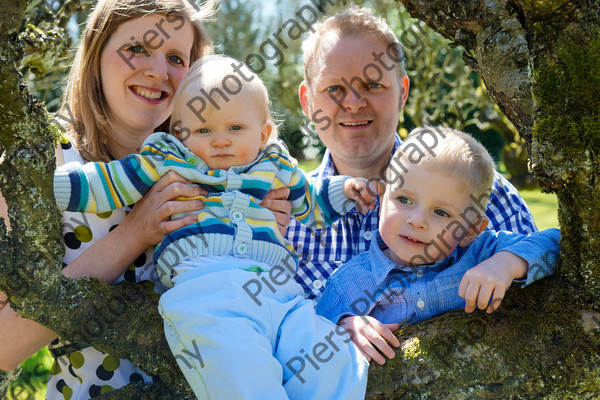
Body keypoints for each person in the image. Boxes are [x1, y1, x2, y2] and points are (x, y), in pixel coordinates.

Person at [0, 1, 290, 398]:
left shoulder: (219, 161)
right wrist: (133, 236)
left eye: (175, 57)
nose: (157, 71)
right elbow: (2, 345)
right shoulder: (44, 163)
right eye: (137, 48)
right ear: (96, 52)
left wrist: (264, 231)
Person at [53, 54, 371, 400]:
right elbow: (108, 182)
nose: (220, 140)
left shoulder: (274, 165)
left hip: (280, 292)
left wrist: (347, 190)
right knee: (238, 368)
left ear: (263, 133)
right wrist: (42, 184)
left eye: (236, 128)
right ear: (179, 135)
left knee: (332, 362)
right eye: (204, 130)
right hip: (207, 289)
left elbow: (312, 201)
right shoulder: (169, 161)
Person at [315, 127, 560, 363]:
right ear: (382, 200)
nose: (417, 220)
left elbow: (556, 242)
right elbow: (311, 341)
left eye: (441, 212)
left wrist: (506, 263)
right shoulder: (349, 281)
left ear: (471, 229)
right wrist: (343, 327)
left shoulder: (481, 253)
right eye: (404, 199)